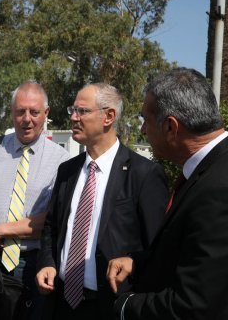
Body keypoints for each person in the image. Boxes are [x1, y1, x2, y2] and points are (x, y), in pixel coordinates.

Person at [108, 68, 228, 320]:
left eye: (145, 120)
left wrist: (125, 306)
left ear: (170, 127)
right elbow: (193, 252)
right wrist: (140, 263)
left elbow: (192, 305)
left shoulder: (222, 190)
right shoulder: (218, 166)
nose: (143, 130)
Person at [35, 83, 168, 319]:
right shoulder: (68, 170)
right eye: (72, 110)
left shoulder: (143, 174)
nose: (74, 117)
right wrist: (48, 263)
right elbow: (52, 227)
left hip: (113, 306)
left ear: (109, 116)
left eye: (82, 111)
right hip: (62, 301)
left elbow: (158, 248)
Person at [0, 81, 70, 319]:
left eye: (34, 112)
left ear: (46, 114)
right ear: (11, 113)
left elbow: (52, 219)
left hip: (32, 266)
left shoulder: (62, 161)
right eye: (20, 111)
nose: (27, 119)